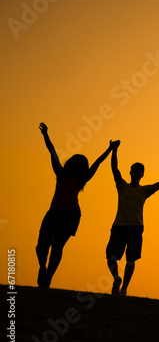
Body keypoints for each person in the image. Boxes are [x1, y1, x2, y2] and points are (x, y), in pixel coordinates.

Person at [36, 122, 117, 288]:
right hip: (53, 213)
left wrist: (109, 149)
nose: (76, 164)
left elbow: (97, 163)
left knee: (57, 246)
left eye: (80, 164)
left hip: (70, 215)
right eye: (75, 162)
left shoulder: (82, 179)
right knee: (42, 244)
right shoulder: (61, 174)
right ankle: (43, 267)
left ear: (82, 168)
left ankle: (48, 278)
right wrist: (46, 135)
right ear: (70, 163)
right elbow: (52, 153)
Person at [106, 141, 159, 296]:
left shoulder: (144, 190)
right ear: (130, 173)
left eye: (138, 172)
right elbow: (114, 169)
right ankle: (116, 278)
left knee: (131, 259)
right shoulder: (122, 186)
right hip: (119, 225)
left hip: (135, 227)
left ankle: (124, 289)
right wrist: (114, 150)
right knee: (110, 256)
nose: (135, 174)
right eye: (134, 171)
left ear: (142, 175)